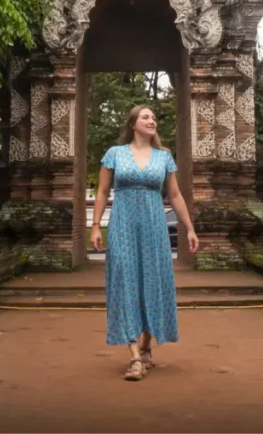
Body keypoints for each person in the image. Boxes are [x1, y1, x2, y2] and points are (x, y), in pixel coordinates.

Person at [90, 105, 198, 381]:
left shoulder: (164, 157)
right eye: (145, 117)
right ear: (133, 124)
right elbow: (102, 191)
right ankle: (135, 357)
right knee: (125, 281)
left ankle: (147, 345)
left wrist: (189, 228)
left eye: (154, 118)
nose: (152, 121)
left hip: (154, 229)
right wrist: (95, 226)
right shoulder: (115, 154)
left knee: (152, 281)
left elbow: (175, 195)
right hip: (123, 226)